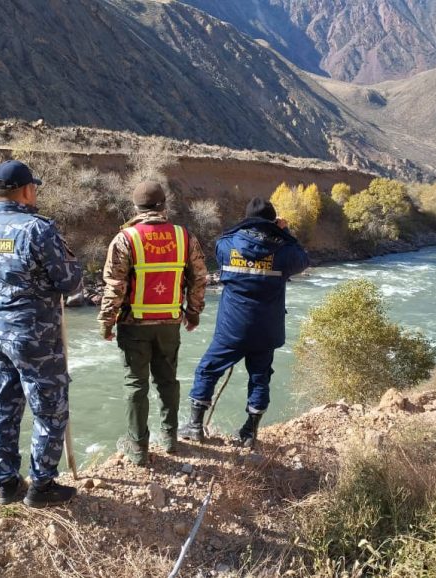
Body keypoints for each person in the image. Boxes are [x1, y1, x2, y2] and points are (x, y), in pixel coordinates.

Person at [0, 160, 82, 508]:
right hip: (34, 333)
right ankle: (41, 486)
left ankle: (5, 483)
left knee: (3, 406)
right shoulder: (37, 229)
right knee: (50, 409)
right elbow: (71, 282)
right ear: (27, 190)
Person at [179, 197, 309, 448]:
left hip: (232, 327)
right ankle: (249, 432)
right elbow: (302, 258)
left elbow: (220, 247)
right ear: (273, 223)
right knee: (260, 378)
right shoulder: (284, 251)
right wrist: (285, 232)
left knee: (208, 369)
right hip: (266, 329)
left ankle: (195, 426)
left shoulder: (227, 245)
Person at [99, 181, 207, 466]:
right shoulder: (184, 237)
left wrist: (107, 322)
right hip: (169, 323)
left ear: (136, 208)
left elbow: (114, 286)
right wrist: (193, 313)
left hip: (133, 325)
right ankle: (170, 439)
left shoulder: (125, 239)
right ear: (164, 205)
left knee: (136, 385)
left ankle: (138, 450)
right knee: (168, 380)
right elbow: (199, 278)